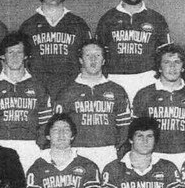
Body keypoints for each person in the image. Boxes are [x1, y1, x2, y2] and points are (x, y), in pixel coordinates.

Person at [0, 32, 52, 171]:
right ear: (2, 56)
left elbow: (46, 123)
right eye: (10, 52)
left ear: (26, 56)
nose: (14, 57)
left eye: (19, 52)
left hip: (30, 147)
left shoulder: (38, 86)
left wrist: (39, 146)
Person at [55, 39, 132, 171]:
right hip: (76, 152)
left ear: (103, 60)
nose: (93, 60)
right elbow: (58, 127)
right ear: (80, 60)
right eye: (88, 55)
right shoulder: (67, 91)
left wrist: (117, 150)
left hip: (108, 153)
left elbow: (125, 127)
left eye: (97, 55)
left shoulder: (117, 90)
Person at [95, 0, 171, 103]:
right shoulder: (107, 19)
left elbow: (168, 54)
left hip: (147, 78)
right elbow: (97, 53)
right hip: (115, 78)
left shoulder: (156, 19)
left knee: (146, 123)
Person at [19, 0, 92, 100]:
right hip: (36, 91)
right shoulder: (28, 26)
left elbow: (90, 58)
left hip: (72, 91)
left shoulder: (78, 24)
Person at [132, 44, 185, 169]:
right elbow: (135, 131)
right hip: (154, 156)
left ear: (183, 67)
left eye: (177, 62)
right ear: (159, 67)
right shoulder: (144, 94)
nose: (172, 67)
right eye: (167, 62)